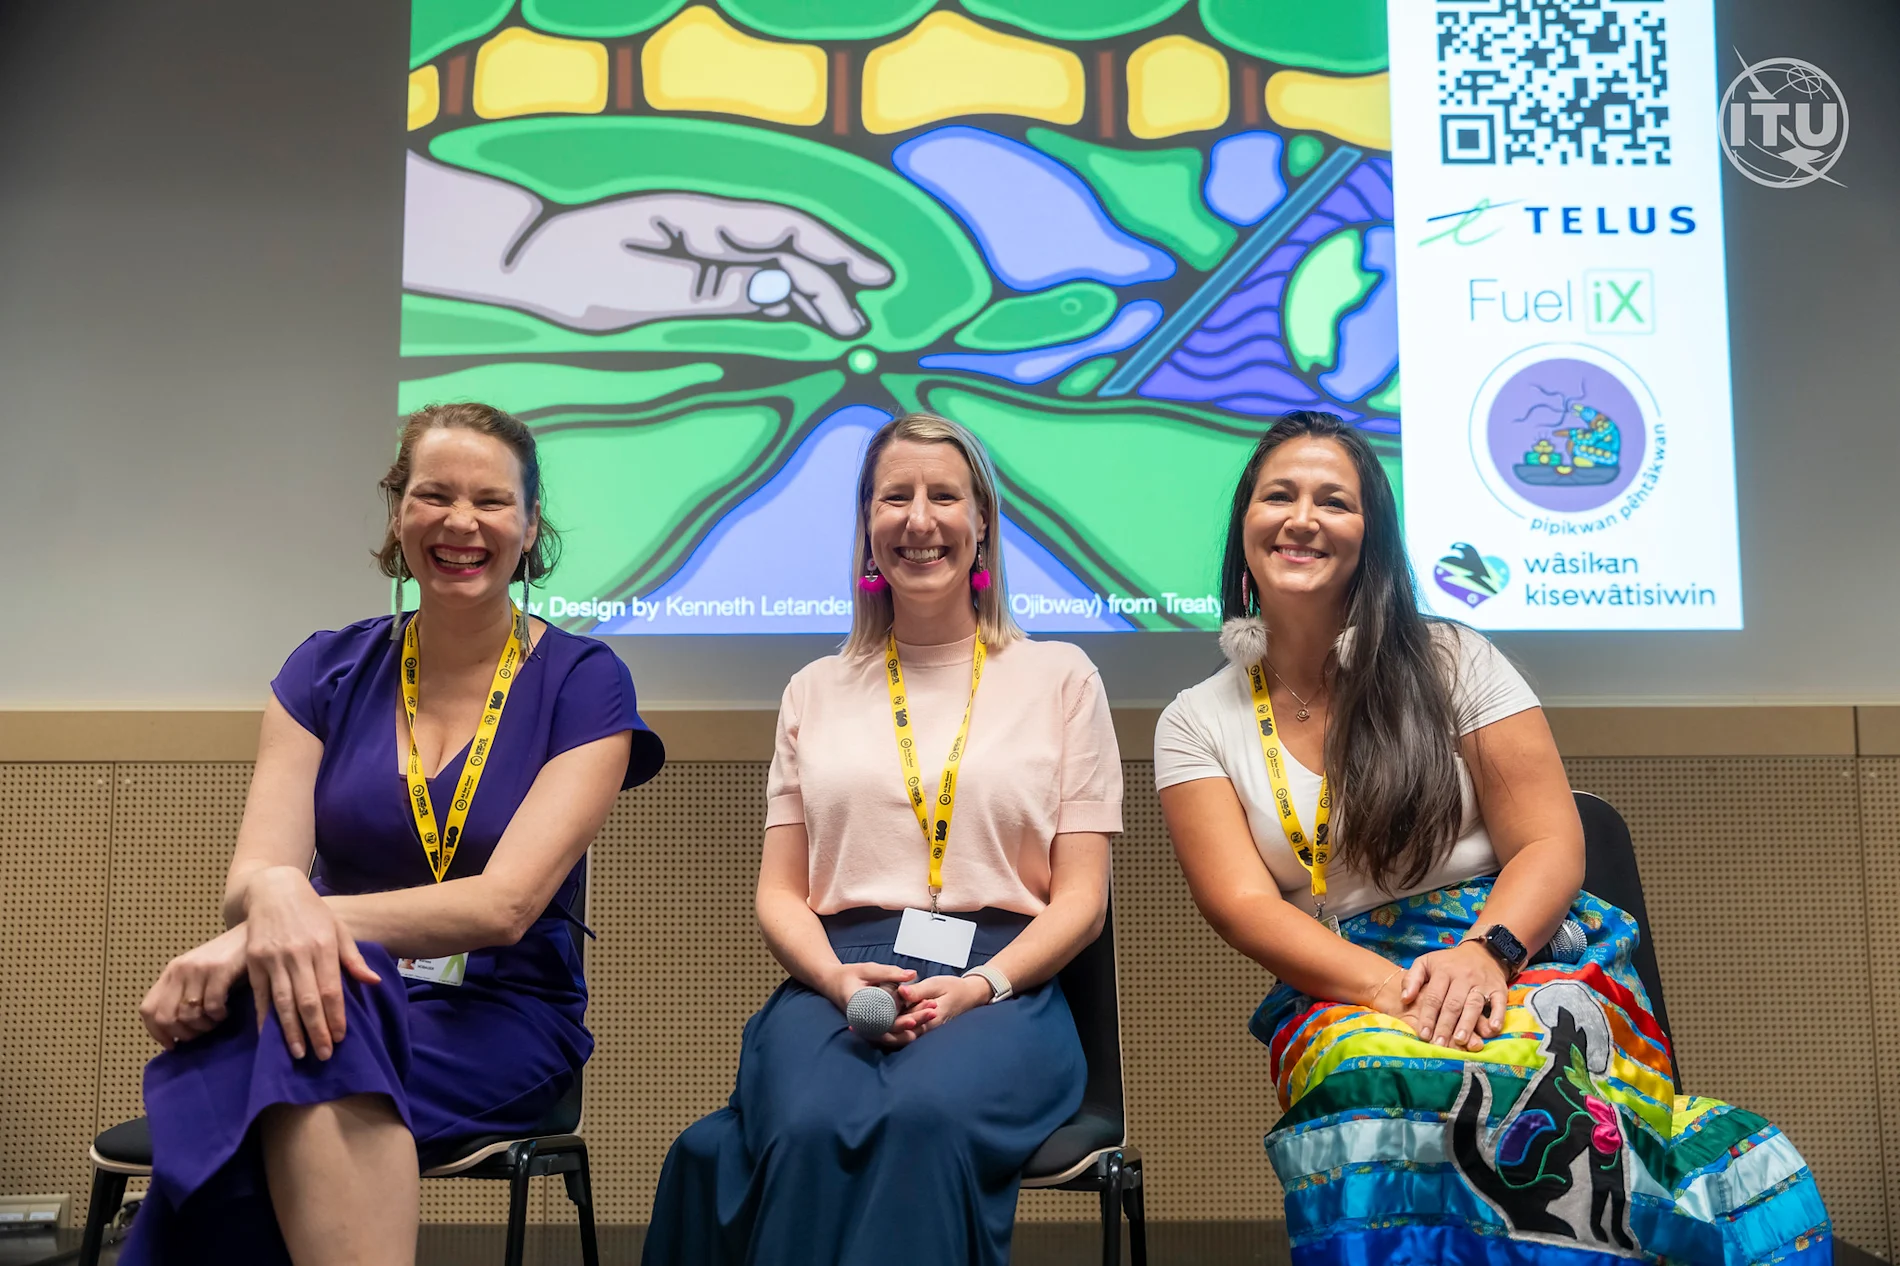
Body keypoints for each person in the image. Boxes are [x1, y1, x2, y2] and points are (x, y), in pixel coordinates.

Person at [1156, 412, 1829, 1263]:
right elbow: (1244, 906)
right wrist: (1394, 991)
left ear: (1373, 537)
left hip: (1519, 946)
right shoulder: (1195, 719)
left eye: (1335, 501)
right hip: (1343, 979)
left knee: (1535, 1069)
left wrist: (1486, 953)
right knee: (1378, 1073)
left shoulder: (1451, 658)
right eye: (1278, 495)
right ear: (1244, 523)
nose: (1302, 518)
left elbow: (1550, 842)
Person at [123, 402, 665, 1265]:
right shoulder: (321, 670)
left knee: (270, 1072)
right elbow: (254, 877)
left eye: (491, 502)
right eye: (433, 495)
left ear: (530, 528)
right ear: (396, 514)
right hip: (326, 996)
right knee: (315, 1035)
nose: (460, 522)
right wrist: (272, 900)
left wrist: (266, 934)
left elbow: (506, 904)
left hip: (498, 1015)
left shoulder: (585, 681)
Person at [642, 412, 1121, 1266]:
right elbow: (779, 892)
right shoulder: (815, 689)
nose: (919, 518)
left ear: (983, 527)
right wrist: (830, 976)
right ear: (868, 528)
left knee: (921, 1120)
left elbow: (1082, 902)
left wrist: (979, 985)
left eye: (945, 495)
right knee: (812, 1121)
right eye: (894, 497)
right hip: (839, 976)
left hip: (1002, 984)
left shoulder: (1062, 677)